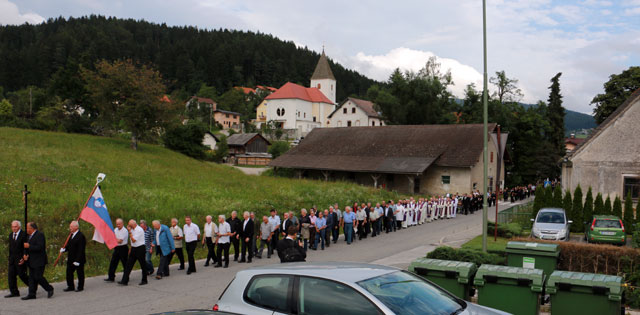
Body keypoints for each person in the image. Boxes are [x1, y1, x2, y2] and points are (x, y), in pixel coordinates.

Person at [22, 222, 54, 300]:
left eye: (27, 228)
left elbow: (40, 247)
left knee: (38, 277)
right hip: (31, 260)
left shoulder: (39, 235)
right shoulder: (28, 236)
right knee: (31, 278)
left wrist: (29, 246)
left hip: (39, 260)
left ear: (32, 228)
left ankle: (49, 288)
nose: (26, 229)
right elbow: (26, 248)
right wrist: (25, 255)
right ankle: (32, 294)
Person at [118, 220, 147, 286]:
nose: (129, 226)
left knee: (143, 265)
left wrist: (129, 232)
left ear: (133, 224)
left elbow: (133, 240)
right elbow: (132, 242)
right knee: (128, 265)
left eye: (129, 225)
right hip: (134, 248)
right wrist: (131, 248)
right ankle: (124, 281)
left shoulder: (139, 230)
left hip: (140, 248)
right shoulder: (132, 229)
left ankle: (144, 280)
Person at [60, 221, 86, 292]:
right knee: (69, 272)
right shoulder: (71, 235)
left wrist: (77, 260)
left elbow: (81, 249)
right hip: (71, 258)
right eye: (70, 226)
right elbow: (69, 246)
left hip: (78, 259)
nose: (70, 228)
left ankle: (80, 287)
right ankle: (70, 286)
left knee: (80, 273)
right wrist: (64, 249)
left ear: (76, 227)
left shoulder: (81, 236)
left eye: (71, 227)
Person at [6, 220, 28, 298]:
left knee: (22, 275)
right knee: (11, 275)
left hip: (20, 258)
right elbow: (10, 248)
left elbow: (25, 247)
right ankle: (14, 292)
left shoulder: (24, 234)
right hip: (12, 259)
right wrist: (9, 258)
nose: (14, 228)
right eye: (12, 227)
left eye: (15, 226)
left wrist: (24, 257)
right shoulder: (10, 235)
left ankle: (32, 285)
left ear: (19, 227)